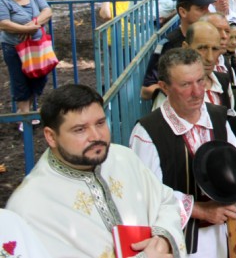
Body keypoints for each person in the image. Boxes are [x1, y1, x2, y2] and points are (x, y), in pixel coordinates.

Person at [7, 84, 183, 258]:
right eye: (80, 129)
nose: (96, 136)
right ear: (51, 137)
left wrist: (164, 238)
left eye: (100, 123)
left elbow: (165, 202)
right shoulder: (29, 206)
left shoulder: (124, 158)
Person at [130, 49, 236, 256]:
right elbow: (147, 193)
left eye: (200, 81)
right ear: (164, 87)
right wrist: (201, 210)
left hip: (223, 235)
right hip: (180, 241)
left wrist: (234, 201)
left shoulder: (218, 116)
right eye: (186, 84)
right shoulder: (148, 132)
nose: (197, 92)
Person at [0, 0, 52, 123]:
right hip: (13, 46)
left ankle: (23, 110)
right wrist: (25, 30)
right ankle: (26, 116)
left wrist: (31, 26)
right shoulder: (3, 0)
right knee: (19, 79)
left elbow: (47, 11)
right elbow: (3, 23)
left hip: (37, 46)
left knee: (40, 76)